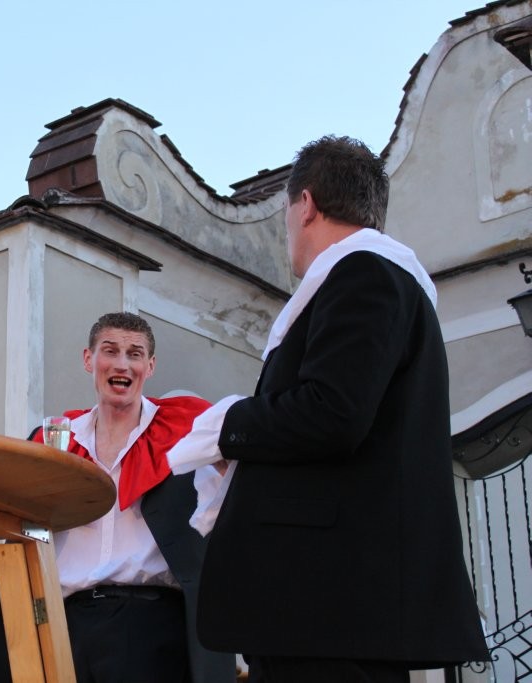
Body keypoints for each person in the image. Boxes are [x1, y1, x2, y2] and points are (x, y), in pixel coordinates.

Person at [167, 136, 490, 682]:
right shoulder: (378, 280)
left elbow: (333, 413)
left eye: (287, 214)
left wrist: (228, 425)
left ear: (306, 204)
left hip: (328, 605)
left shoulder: (364, 274)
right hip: (332, 609)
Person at [0, 312, 235, 683]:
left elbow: (238, 480)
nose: (122, 364)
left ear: (150, 366)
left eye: (135, 354)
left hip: (148, 625)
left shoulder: (186, 428)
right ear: (89, 359)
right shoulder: (54, 439)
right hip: (61, 624)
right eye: (110, 351)